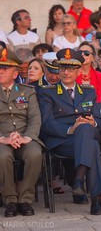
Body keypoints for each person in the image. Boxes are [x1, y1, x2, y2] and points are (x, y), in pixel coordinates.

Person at [38, 48, 101, 215]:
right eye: (63, 68)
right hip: (62, 140)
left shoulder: (88, 91)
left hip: (86, 136)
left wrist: (93, 122)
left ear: (78, 71)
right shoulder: (47, 92)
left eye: (70, 69)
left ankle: (78, 181)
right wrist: (70, 129)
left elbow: (99, 120)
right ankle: (94, 198)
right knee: (92, 146)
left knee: (86, 130)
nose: (66, 72)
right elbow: (47, 123)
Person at [0, 48, 43, 217]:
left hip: (24, 137)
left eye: (5, 68)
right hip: (2, 138)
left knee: (35, 154)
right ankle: (10, 199)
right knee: (3, 156)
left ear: (15, 72)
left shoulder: (27, 91)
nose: (1, 71)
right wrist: (3, 138)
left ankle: (25, 200)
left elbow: (35, 118)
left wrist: (26, 137)